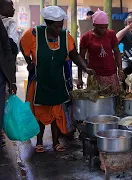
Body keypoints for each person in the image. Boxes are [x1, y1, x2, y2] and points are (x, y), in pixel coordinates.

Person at [19, 6, 94, 153]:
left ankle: (55, 142)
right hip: (40, 81)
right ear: (48, 23)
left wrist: (85, 68)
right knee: (40, 112)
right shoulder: (33, 34)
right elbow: (22, 46)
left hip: (58, 80)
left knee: (56, 113)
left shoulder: (66, 37)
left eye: (61, 25)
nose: (60, 29)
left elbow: (75, 55)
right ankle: (39, 142)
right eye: (57, 26)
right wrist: (29, 63)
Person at [77, 9, 124, 94]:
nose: (104, 30)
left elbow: (117, 52)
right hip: (95, 75)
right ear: (94, 25)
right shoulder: (86, 37)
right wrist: (80, 78)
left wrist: (120, 69)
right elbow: (81, 58)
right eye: (101, 28)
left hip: (111, 74)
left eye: (106, 27)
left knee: (113, 100)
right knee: (96, 102)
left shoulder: (111, 34)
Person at [0, 0, 18, 148]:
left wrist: (12, 79)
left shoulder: (9, 23)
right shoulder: (8, 24)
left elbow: (9, 49)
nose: (13, 9)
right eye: (10, 5)